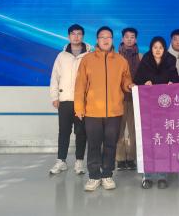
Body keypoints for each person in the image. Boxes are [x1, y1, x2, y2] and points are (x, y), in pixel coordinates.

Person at [74, 26, 134, 192]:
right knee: (93, 144)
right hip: (92, 111)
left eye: (109, 37)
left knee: (110, 144)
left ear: (113, 40)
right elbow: (80, 85)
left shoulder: (121, 60)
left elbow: (126, 80)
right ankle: (94, 176)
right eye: (102, 37)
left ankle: (107, 174)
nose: (106, 40)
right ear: (97, 40)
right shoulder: (87, 60)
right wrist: (79, 107)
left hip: (114, 111)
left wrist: (129, 85)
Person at [134, 36, 179, 190]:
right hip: (148, 107)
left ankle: (162, 176)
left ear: (164, 49)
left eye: (160, 47)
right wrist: (144, 83)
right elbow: (137, 80)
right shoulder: (145, 60)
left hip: (166, 108)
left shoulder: (170, 60)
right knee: (148, 141)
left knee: (163, 141)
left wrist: (173, 83)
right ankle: (147, 176)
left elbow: (176, 80)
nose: (158, 50)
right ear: (151, 49)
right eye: (155, 47)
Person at [49, 24, 91, 175]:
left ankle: (79, 162)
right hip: (65, 99)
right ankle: (61, 161)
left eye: (79, 34)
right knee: (64, 131)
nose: (76, 36)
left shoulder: (89, 56)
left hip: (82, 101)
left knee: (81, 132)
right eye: (73, 34)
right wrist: (55, 97)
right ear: (68, 36)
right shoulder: (61, 56)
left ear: (83, 36)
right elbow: (55, 77)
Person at [116, 27, 142, 171]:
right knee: (119, 130)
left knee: (134, 130)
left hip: (135, 99)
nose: (129, 39)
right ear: (122, 39)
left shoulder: (141, 57)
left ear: (136, 39)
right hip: (118, 99)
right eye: (127, 37)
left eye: (132, 37)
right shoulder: (115, 56)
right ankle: (120, 159)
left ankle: (132, 158)